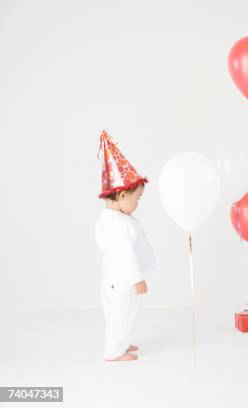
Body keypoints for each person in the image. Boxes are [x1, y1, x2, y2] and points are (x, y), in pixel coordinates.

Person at [95, 130, 155, 361]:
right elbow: (124, 254)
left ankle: (122, 343)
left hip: (116, 280)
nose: (138, 203)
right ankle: (114, 351)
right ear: (121, 197)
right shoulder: (117, 225)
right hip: (121, 281)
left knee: (125, 313)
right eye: (137, 198)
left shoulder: (111, 219)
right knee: (120, 314)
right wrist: (136, 277)